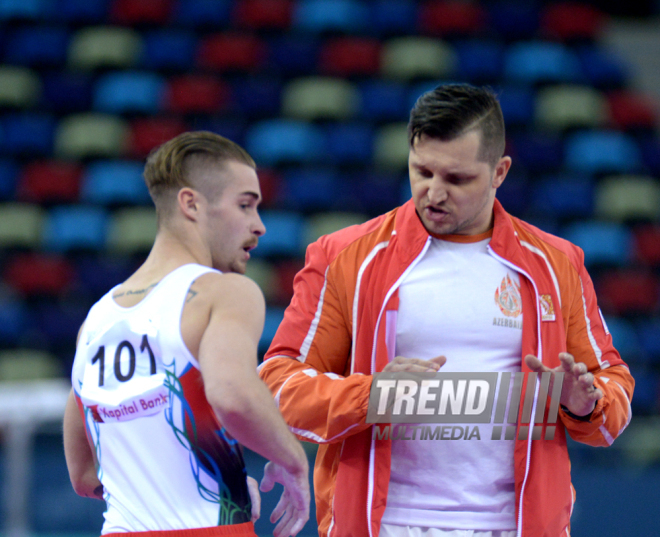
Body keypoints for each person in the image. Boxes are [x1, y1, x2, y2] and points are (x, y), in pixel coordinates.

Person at [258, 84, 635, 537]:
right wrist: (371, 395)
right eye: (422, 172)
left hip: (516, 527)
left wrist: (587, 402)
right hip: (387, 524)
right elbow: (278, 385)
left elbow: (614, 391)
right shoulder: (345, 258)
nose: (434, 193)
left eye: (456, 179)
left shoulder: (556, 265)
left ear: (500, 172)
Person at [63, 131, 310, 537]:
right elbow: (232, 396)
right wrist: (293, 461)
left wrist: (213, 485)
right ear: (191, 204)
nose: (259, 226)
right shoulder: (223, 292)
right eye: (245, 205)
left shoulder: (96, 320)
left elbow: (84, 474)